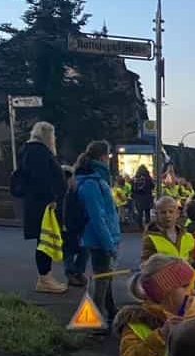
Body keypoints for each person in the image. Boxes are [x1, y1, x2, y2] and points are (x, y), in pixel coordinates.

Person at [16, 121, 68, 293]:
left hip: (39, 204)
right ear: (47, 135)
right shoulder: (38, 152)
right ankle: (44, 279)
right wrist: (51, 198)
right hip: (43, 205)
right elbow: (41, 179)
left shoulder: (31, 151)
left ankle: (46, 277)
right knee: (44, 241)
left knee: (44, 240)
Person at [74, 140, 120, 326]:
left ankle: (110, 309)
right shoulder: (92, 182)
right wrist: (109, 244)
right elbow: (97, 216)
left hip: (102, 237)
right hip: (100, 239)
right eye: (108, 156)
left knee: (106, 276)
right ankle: (96, 321)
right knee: (101, 279)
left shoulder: (94, 179)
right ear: (103, 156)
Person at [59, 165, 89, 287]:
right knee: (69, 251)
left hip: (76, 225)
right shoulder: (63, 193)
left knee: (83, 249)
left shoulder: (73, 192)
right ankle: (72, 273)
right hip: (67, 227)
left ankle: (77, 272)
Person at [141, 196, 195, 263]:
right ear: (156, 215)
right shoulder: (150, 239)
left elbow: (192, 261)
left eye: (171, 211)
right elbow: (146, 266)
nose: (167, 215)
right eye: (163, 212)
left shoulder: (188, 236)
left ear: (177, 213)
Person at [132, 165, 155, 230]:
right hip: (147, 197)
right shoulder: (148, 178)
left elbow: (133, 189)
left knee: (140, 213)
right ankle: (148, 226)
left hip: (139, 198)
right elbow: (152, 186)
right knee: (147, 213)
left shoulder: (135, 178)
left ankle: (140, 227)